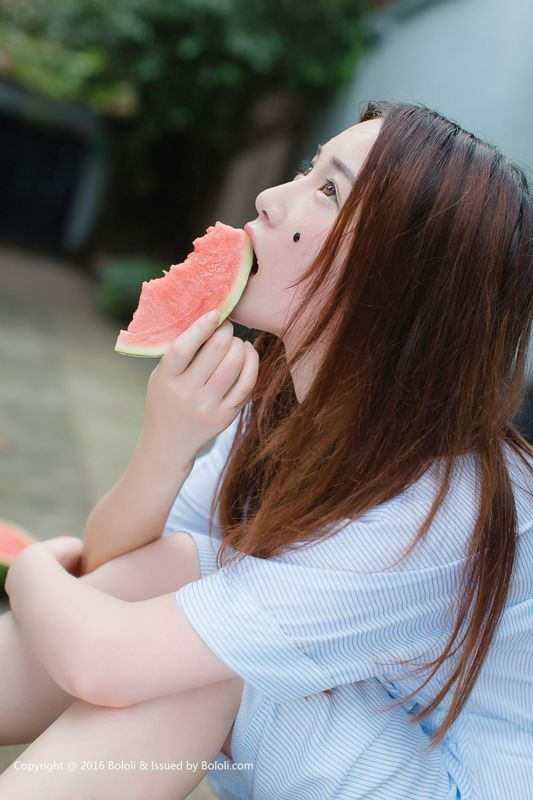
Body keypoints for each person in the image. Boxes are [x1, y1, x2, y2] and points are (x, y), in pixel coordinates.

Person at [1, 99, 531, 800]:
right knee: (194, 591)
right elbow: (121, 570)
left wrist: (31, 566)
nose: (270, 199)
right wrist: (165, 444)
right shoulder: (290, 399)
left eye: (329, 190)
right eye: (311, 168)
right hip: (337, 733)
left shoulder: (449, 504)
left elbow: (103, 662)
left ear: (401, 276)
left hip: (439, 780)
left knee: (204, 656)